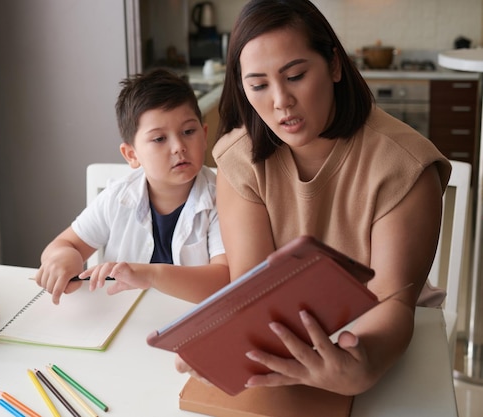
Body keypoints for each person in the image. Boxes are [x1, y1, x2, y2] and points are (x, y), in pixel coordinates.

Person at [176, 0, 451, 396]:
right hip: (297, 336)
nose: (280, 101)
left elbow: (392, 303)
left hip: (389, 345)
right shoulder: (239, 159)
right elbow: (254, 294)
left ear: (335, 66)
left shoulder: (403, 165)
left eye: (296, 75)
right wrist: (223, 345)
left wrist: (361, 367)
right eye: (258, 85)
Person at [35, 69, 229, 305]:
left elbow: (224, 280)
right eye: (159, 139)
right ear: (131, 154)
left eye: (188, 132)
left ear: (204, 134)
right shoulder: (118, 196)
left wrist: (149, 274)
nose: (179, 146)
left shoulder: (224, 197)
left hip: (195, 325)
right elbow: (64, 245)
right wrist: (63, 258)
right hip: (125, 324)